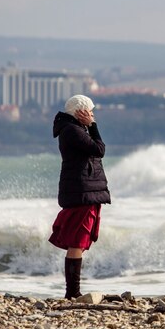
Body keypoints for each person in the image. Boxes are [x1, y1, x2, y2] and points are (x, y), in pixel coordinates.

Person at [49, 95, 111, 299]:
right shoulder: (73, 131)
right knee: (77, 241)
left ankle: (72, 291)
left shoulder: (73, 130)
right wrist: (93, 126)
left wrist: (89, 126)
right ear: (80, 113)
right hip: (81, 192)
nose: (93, 115)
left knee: (79, 241)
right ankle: (72, 292)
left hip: (83, 191)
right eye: (90, 111)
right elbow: (99, 149)